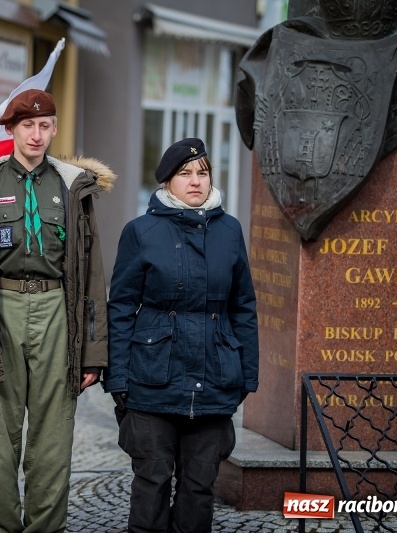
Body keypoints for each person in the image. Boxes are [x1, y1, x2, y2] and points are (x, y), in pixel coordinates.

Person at [0, 89, 115, 533]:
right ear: (11, 130)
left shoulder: (73, 187)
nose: (36, 135)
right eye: (27, 126)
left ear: (54, 128)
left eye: (44, 125)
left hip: (58, 311)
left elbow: (93, 275)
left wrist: (93, 353)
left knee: (53, 440)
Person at [104, 138, 259, 533]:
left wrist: (246, 375)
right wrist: (117, 377)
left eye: (202, 173)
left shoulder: (229, 231)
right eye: (185, 174)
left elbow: (243, 306)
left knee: (199, 486)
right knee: (152, 481)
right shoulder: (141, 231)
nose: (195, 181)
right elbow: (120, 307)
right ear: (167, 182)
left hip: (214, 378)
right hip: (152, 378)